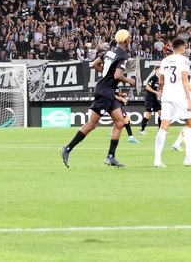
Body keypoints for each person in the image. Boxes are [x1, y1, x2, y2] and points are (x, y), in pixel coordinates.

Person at [59, 29, 137, 168]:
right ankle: (67, 148)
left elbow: (95, 64)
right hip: (105, 93)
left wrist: (106, 74)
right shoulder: (123, 55)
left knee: (120, 122)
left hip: (107, 91)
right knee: (92, 124)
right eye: (129, 38)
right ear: (126, 40)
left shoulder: (110, 51)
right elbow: (117, 75)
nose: (130, 39)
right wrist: (129, 81)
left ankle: (111, 157)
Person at [153, 38, 191, 167]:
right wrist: (188, 99)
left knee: (164, 127)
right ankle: (188, 158)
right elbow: (185, 79)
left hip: (167, 95)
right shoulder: (184, 60)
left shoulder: (164, 60)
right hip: (179, 95)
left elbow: (161, 81)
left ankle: (157, 159)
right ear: (182, 48)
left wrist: (163, 91)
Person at [138, 66, 161, 135]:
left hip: (154, 98)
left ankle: (160, 129)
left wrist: (159, 91)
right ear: (156, 70)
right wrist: (156, 92)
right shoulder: (153, 78)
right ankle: (142, 129)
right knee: (148, 114)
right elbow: (147, 87)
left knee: (161, 112)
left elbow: (155, 88)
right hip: (149, 98)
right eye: (159, 69)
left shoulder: (159, 79)